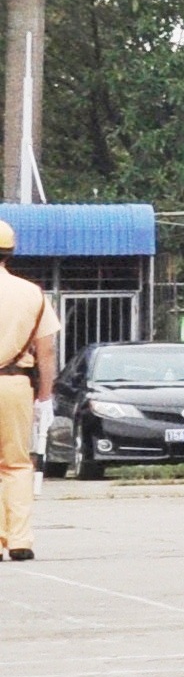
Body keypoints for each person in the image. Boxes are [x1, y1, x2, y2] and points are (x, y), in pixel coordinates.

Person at [0, 217, 52, 560]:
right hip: (14, 383)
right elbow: (46, 351)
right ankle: (18, 540)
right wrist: (45, 397)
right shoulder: (31, 293)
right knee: (17, 463)